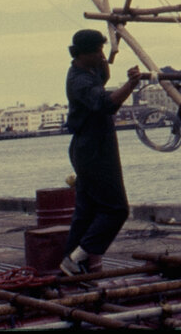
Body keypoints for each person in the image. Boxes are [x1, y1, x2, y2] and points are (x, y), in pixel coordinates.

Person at [63, 28, 146, 276]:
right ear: (83, 54)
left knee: (86, 211)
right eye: (98, 51)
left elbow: (105, 73)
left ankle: (67, 266)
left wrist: (112, 42)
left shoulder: (92, 69)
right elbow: (106, 104)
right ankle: (77, 257)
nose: (102, 55)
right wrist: (131, 84)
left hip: (96, 146)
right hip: (92, 149)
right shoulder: (78, 80)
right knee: (116, 209)